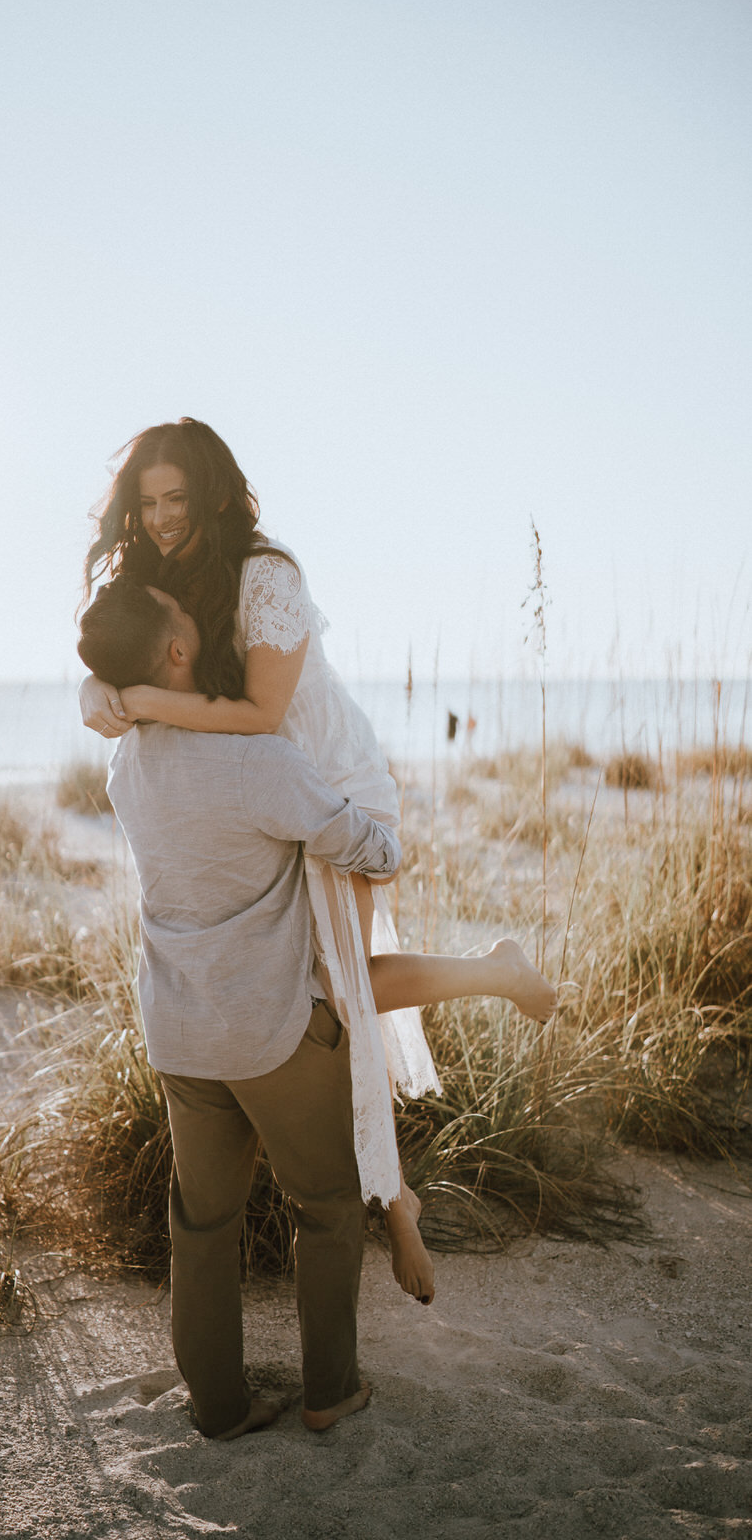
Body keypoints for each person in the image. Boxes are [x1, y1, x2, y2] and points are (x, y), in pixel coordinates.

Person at [79, 418, 558, 1303]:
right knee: (321, 1006)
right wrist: (93, 684)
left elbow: (262, 712)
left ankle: (402, 1180)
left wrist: (139, 696)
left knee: (339, 996)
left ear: (217, 492)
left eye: (175, 498)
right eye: (145, 504)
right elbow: (113, 643)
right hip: (261, 794)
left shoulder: (268, 574)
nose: (159, 518)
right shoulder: (155, 576)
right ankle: (396, 1189)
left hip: (328, 789)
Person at [78, 576, 402, 1437]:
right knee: (328, 1205)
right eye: (189, 614)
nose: (204, 615)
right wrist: (386, 840)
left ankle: (216, 1406)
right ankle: (329, 1390)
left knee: (201, 1221)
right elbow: (364, 846)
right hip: (272, 1029)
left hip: (179, 1028)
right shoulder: (259, 761)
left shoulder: (125, 764)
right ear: (179, 651)